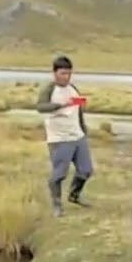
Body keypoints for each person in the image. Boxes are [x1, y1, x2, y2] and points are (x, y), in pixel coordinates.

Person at [35, 55, 94, 216]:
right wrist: (61, 105)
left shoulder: (73, 88)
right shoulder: (49, 89)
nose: (66, 77)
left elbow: (77, 109)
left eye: (69, 73)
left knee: (86, 170)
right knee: (59, 174)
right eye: (63, 73)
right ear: (55, 73)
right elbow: (40, 107)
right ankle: (57, 205)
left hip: (77, 136)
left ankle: (74, 196)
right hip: (59, 139)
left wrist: (83, 127)